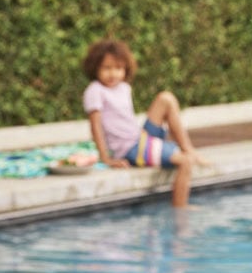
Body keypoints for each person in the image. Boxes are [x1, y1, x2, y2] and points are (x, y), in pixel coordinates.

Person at [82, 38, 206, 207]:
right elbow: (95, 126)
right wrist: (105, 158)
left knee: (166, 99)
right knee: (185, 162)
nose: (113, 74)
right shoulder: (95, 91)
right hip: (129, 148)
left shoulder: (124, 88)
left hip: (139, 139)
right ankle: (181, 209)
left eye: (118, 68)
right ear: (95, 68)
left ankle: (188, 148)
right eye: (107, 68)